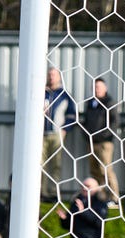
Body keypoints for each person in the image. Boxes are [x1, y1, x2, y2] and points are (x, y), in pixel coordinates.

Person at [82, 77, 120, 201]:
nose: (96, 89)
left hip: (104, 143)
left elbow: (114, 123)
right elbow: (86, 122)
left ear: (105, 88)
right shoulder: (90, 103)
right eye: (94, 87)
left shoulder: (109, 103)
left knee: (106, 170)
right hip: (91, 143)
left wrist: (102, 136)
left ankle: (114, 198)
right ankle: (101, 197)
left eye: (99, 87)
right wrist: (87, 135)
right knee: (94, 171)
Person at [42, 67, 77, 203]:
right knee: (41, 165)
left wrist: (65, 130)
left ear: (59, 77)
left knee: (56, 164)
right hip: (41, 135)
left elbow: (72, 115)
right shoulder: (42, 92)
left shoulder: (64, 95)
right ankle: (42, 192)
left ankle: (53, 192)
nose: (51, 77)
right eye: (49, 75)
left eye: (54, 75)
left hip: (57, 135)